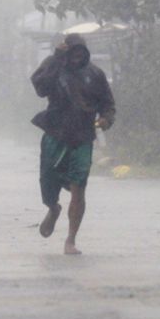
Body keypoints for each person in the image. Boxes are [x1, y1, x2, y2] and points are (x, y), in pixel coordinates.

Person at [30, 33, 115, 255]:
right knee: (48, 182)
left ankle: (71, 239)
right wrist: (57, 58)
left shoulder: (95, 74)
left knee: (79, 188)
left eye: (81, 53)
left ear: (85, 53)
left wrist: (106, 118)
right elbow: (40, 88)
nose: (77, 58)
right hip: (55, 134)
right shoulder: (54, 66)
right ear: (66, 52)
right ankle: (53, 207)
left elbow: (108, 103)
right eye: (73, 53)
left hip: (83, 137)